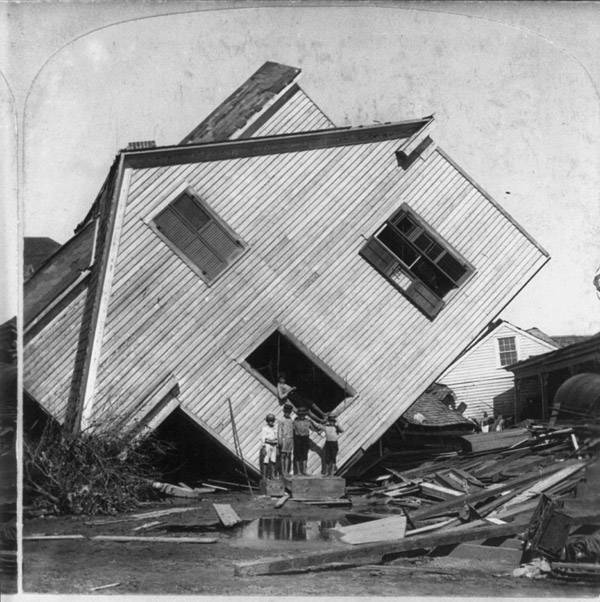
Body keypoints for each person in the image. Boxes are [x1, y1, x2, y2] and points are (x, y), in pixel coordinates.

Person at [293, 406, 320, 475]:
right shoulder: (295, 421)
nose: (301, 416)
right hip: (297, 438)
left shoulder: (308, 421)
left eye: (303, 414)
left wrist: (318, 430)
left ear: (305, 414)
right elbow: (291, 430)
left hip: (305, 438)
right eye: (300, 414)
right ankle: (298, 471)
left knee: (304, 455)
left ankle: (304, 470)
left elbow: (313, 428)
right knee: (297, 455)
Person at [260, 413, 278, 480]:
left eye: (272, 420)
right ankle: (264, 476)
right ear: (267, 421)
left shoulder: (275, 428)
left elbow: (276, 437)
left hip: (274, 445)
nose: (271, 422)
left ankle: (272, 475)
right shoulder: (265, 428)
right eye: (270, 421)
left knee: (273, 460)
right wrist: (263, 447)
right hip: (267, 445)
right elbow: (263, 438)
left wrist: (276, 443)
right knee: (266, 461)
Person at [278, 403, 294, 476]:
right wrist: (280, 439)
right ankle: (283, 471)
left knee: (288, 455)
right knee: (283, 455)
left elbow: (292, 430)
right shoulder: (281, 420)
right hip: (284, 439)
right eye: (286, 411)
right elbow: (279, 431)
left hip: (290, 439)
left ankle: (287, 471)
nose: (287, 413)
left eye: (289, 412)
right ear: (284, 411)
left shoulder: (291, 420)